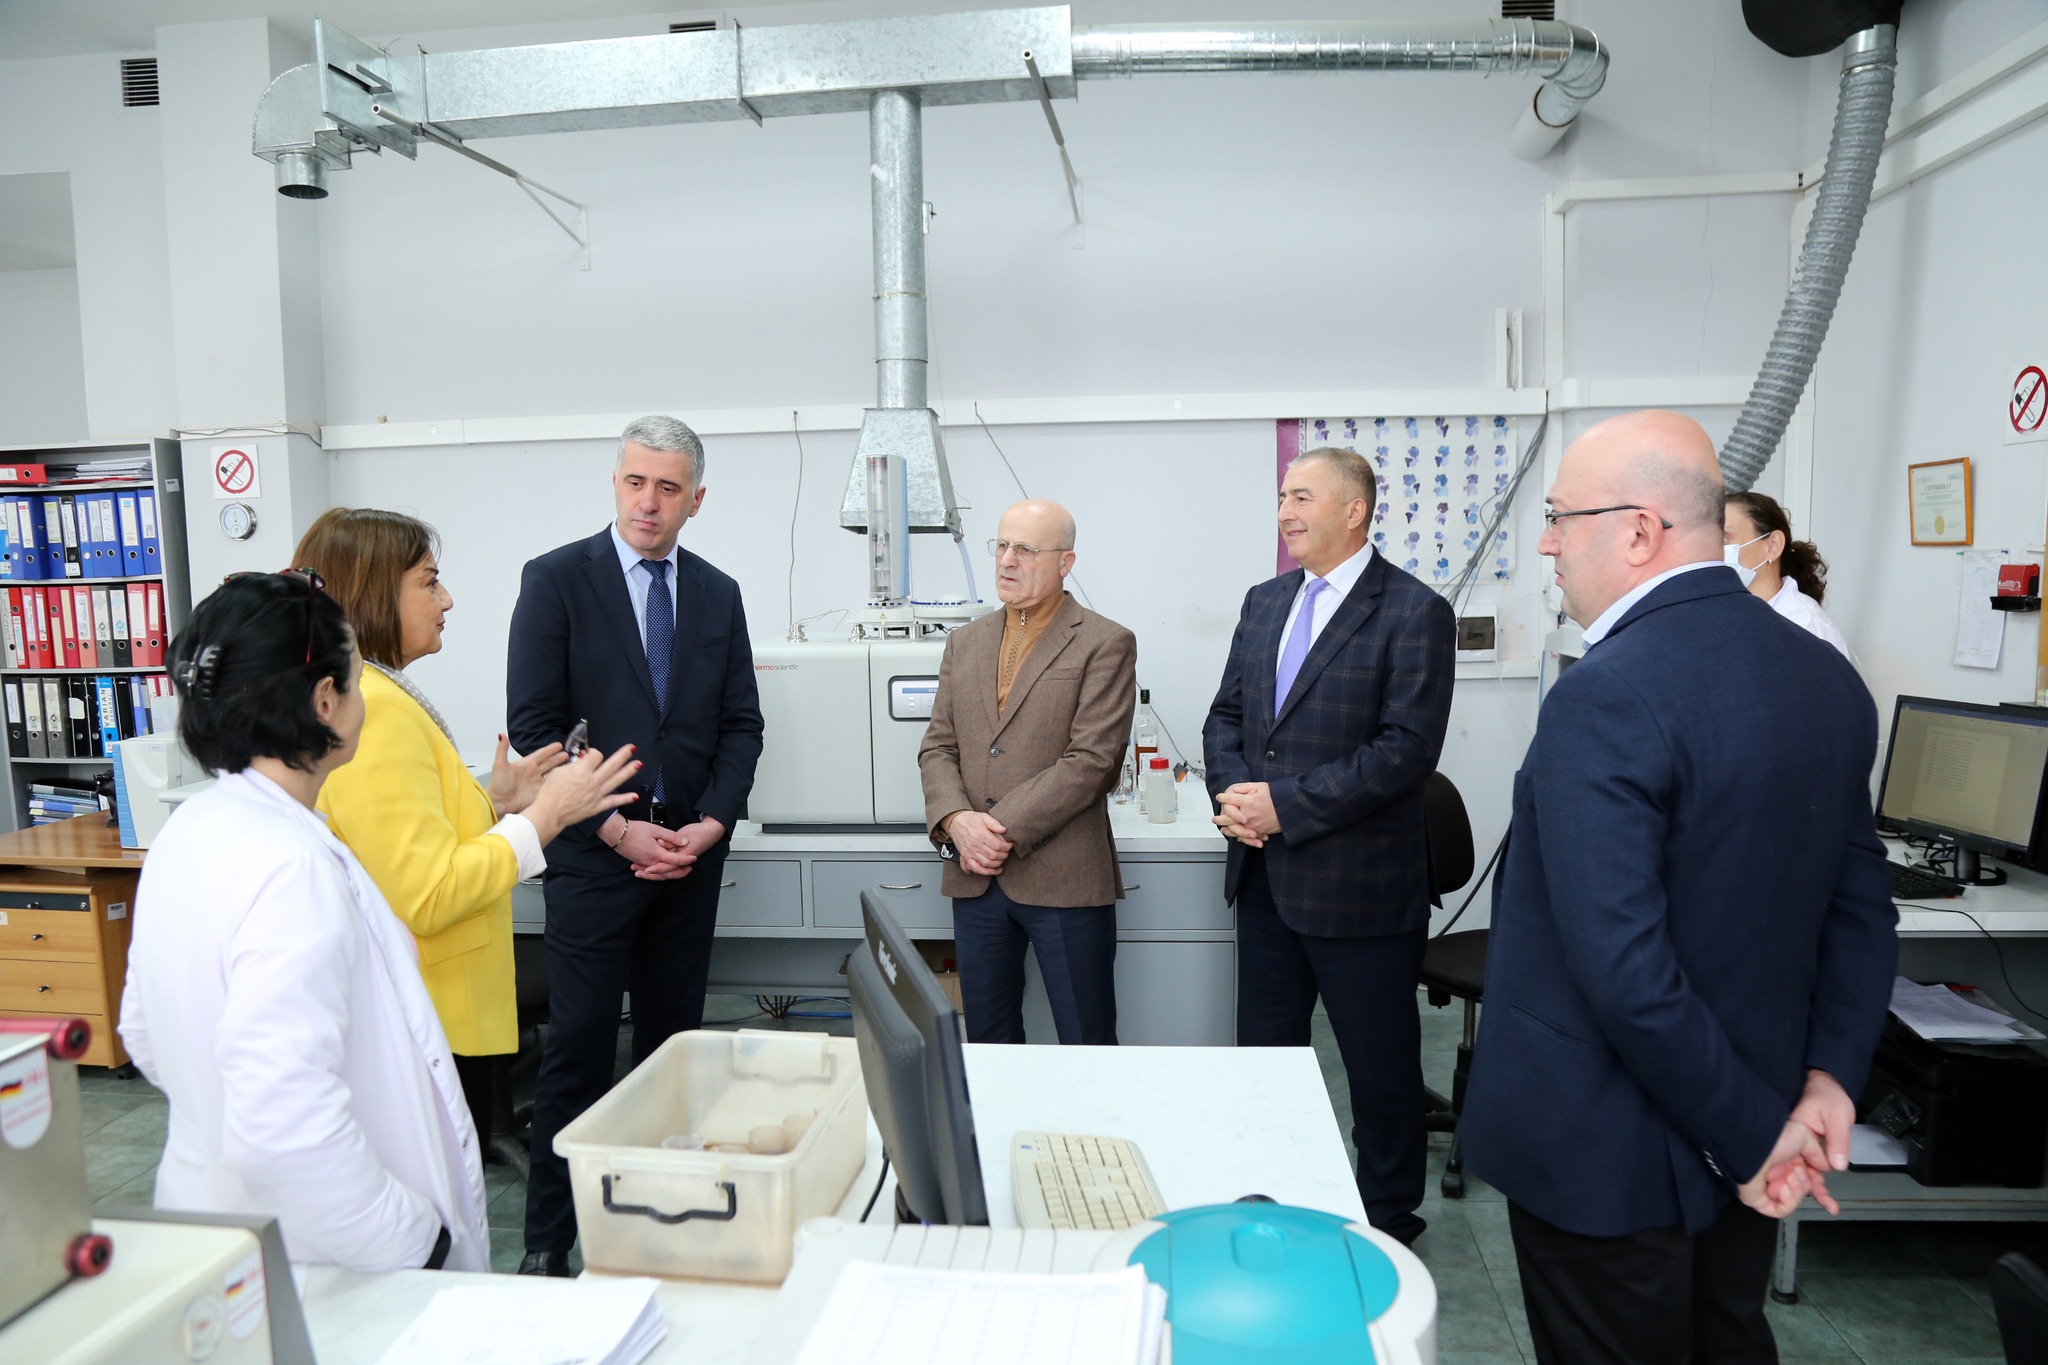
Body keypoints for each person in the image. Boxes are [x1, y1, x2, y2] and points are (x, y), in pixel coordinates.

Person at [1460, 411, 1896, 1364]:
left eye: (1559, 516)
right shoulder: (1826, 677)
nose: (1546, 542)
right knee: (1724, 1334)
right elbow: (1862, 909)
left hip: (1613, 1152)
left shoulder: (1606, 691)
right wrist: (1828, 1079)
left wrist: (1751, 1138)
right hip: (1763, 1106)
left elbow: (1623, 967)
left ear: (1638, 531)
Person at [117, 573, 621, 1272]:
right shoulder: (292, 869)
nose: (366, 699)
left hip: (223, 1218)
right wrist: (414, 1240)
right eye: (356, 683)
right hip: (333, 1261)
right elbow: (284, 1120)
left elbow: (145, 1033)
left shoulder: (193, 830)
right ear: (326, 702)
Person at [296, 508, 641, 1155]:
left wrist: (496, 804)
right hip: (430, 1018)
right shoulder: (378, 712)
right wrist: (546, 817)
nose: (447, 599)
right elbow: (430, 893)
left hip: (435, 1011)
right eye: (429, 582)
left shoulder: (381, 695)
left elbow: (409, 843)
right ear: (375, 592)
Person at [508, 415, 764, 1276]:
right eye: (634, 482)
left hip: (687, 860)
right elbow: (535, 729)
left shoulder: (719, 593)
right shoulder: (556, 580)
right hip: (594, 856)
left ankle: (663, 1231)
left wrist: (710, 823)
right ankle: (547, 1243)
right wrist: (617, 829)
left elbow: (742, 725)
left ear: (696, 499)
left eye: (667, 488)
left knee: (672, 1054)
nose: (648, 502)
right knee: (579, 1050)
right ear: (615, 483)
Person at [1201, 445, 1455, 1246]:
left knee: (1380, 1073)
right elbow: (1226, 717)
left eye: (1302, 496)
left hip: (1360, 889)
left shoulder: (1413, 611)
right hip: (1265, 878)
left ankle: (1388, 1219)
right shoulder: (1265, 600)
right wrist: (1236, 798)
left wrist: (1283, 806)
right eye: (1282, 496)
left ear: (1355, 509)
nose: (1285, 511)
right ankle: (1270, 1200)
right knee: (1266, 1065)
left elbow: (1404, 752)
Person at [918, 500, 1137, 1044]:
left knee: (1086, 1040)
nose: (1007, 561)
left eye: (1026, 550)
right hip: (975, 876)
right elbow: (938, 746)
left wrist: (995, 832)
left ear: (1066, 563)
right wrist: (956, 821)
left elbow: (1093, 761)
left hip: (1063, 876)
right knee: (989, 1041)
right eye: (1002, 546)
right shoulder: (964, 642)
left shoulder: (1105, 641)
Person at [1724, 489, 1854, 660]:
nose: (1712, 551)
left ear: (1773, 546)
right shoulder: (1724, 617)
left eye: (1725, 538)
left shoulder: (1805, 626)